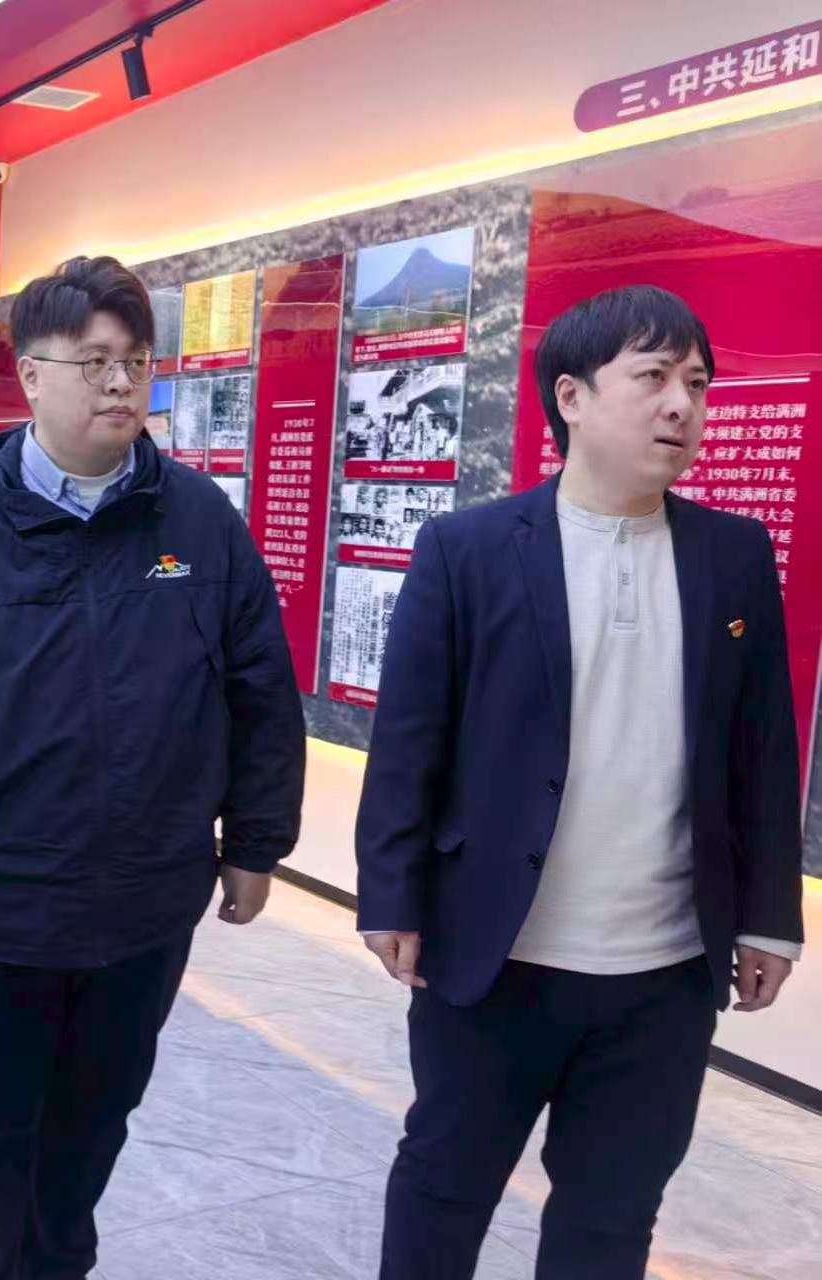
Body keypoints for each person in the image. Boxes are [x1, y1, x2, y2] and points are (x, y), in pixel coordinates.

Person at [0, 255, 306, 1280]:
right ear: (31, 374)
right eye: (92, 361)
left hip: (143, 903)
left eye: (135, 360)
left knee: (91, 1125)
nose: (119, 383)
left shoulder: (198, 523)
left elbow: (260, 691)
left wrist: (255, 842)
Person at [356, 285, 804, 1280]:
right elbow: (409, 740)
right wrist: (389, 892)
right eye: (653, 377)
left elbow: (762, 749)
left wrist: (770, 917)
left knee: (610, 1221)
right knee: (443, 1189)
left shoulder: (732, 555)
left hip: (664, 976)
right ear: (570, 395)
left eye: (697, 382)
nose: (681, 404)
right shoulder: (468, 549)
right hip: (493, 956)